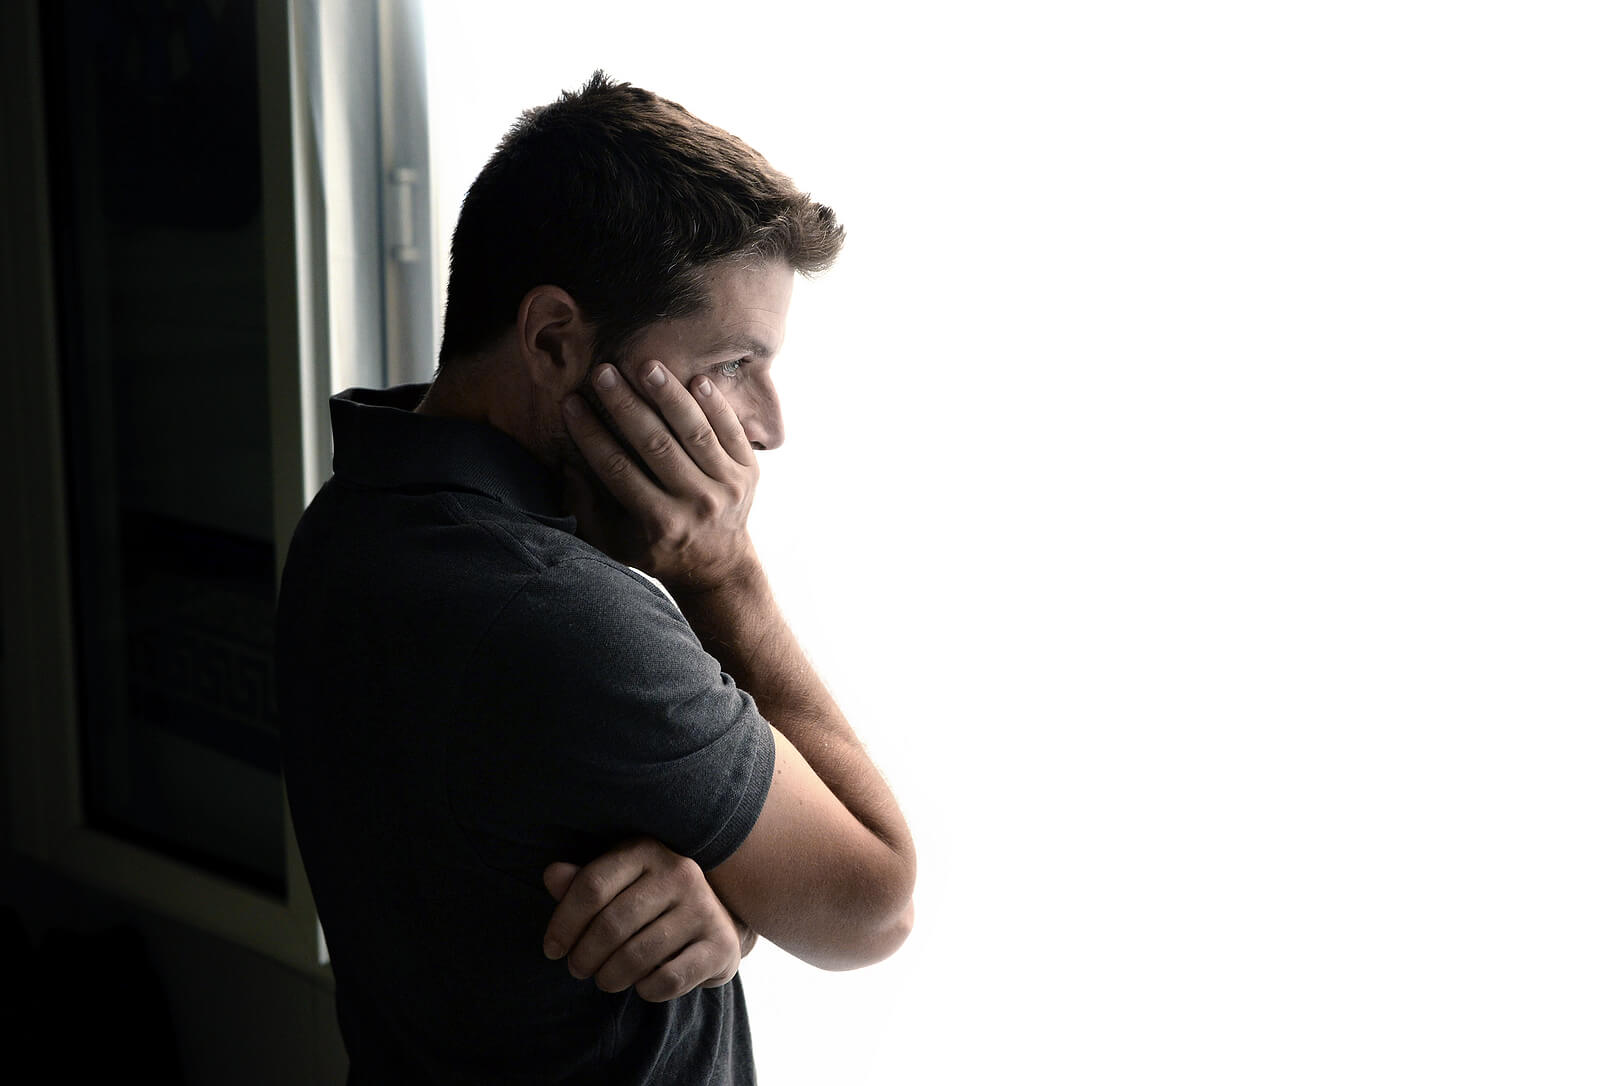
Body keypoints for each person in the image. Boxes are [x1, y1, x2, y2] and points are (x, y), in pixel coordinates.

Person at [275, 71, 915, 1085]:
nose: (766, 425)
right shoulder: (561, 619)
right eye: (732, 363)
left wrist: (728, 899)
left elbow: (515, 841)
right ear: (554, 340)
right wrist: (725, 576)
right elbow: (872, 904)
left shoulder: (346, 528)